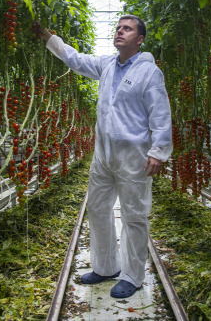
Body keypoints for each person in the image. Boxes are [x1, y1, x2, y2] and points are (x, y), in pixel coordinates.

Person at [34, 15, 172, 298]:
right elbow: (75, 59)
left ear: (140, 39)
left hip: (134, 156)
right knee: (97, 210)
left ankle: (132, 276)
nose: (120, 31)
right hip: (103, 154)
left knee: (134, 216)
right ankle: (106, 266)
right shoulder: (107, 65)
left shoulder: (149, 72)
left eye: (127, 29)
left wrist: (159, 151)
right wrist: (49, 38)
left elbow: (160, 113)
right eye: (118, 28)